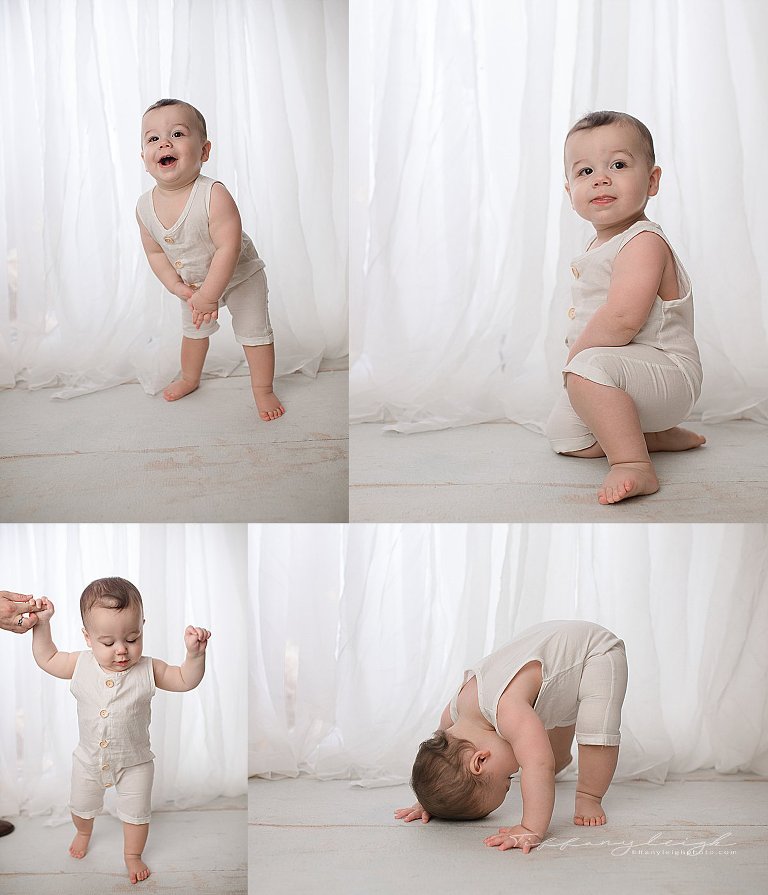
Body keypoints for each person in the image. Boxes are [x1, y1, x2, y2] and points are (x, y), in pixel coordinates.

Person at [545, 111, 704, 504]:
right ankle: (651, 435)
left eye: (618, 165)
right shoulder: (601, 243)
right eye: (585, 171)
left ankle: (633, 462)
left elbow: (621, 320)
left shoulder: (643, 241)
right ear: (570, 192)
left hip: (669, 373)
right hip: (627, 378)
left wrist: (576, 359)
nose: (601, 178)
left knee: (585, 371)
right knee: (565, 436)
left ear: (651, 181)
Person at [30, 577, 211, 885]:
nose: (122, 650)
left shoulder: (150, 669)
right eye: (108, 643)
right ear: (88, 637)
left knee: (136, 815)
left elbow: (184, 680)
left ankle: (132, 855)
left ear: (142, 627)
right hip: (88, 760)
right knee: (81, 807)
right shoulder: (79, 664)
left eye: (132, 638)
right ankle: (83, 832)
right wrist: (42, 625)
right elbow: (46, 657)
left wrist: (195, 656)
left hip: (135, 762)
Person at [394, 620, 627, 854]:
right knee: (542, 728)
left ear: (480, 760)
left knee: (596, 725)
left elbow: (538, 765)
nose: (515, 771)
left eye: (507, 777)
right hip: (556, 659)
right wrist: (430, 799)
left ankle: (589, 795)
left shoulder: (506, 710)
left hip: (595, 652)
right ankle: (561, 757)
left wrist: (530, 827)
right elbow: (438, 754)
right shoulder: (455, 713)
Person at [136, 98, 285, 421]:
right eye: (153, 138)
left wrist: (209, 295)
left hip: (241, 276)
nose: (164, 143)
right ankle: (190, 377)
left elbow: (228, 248)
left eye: (177, 134)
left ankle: (263, 389)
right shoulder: (144, 207)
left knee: (254, 332)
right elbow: (155, 252)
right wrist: (177, 286)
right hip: (193, 284)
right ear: (144, 159)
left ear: (204, 151)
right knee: (193, 333)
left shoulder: (213, 194)